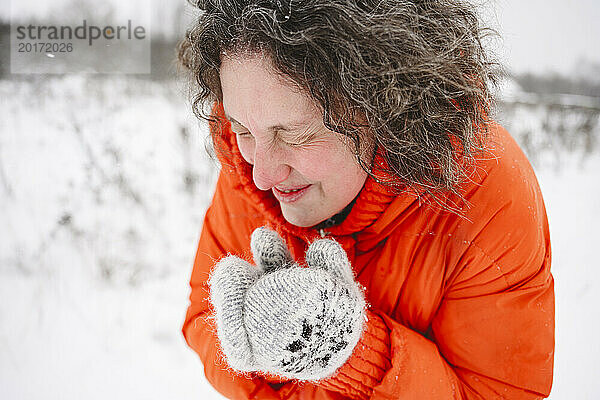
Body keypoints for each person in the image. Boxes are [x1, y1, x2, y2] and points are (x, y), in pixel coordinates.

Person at [177, 0, 555, 399]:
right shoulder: (246, 168)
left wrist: (354, 354)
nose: (262, 175)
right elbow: (203, 316)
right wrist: (255, 351)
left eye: (296, 133)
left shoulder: (487, 192)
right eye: (242, 128)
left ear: (386, 109)